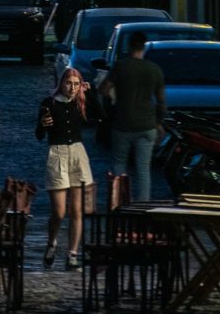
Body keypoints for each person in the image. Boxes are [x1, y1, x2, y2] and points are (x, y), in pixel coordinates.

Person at [36, 67, 98, 270]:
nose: (72, 88)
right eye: (69, 83)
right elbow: (38, 134)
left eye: (76, 84)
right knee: (59, 212)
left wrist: (92, 93)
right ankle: (51, 242)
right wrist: (43, 125)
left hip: (78, 154)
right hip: (57, 153)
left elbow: (101, 116)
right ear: (62, 83)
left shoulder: (80, 102)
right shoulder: (49, 103)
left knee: (77, 211)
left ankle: (72, 255)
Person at [99, 30, 166, 202]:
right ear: (143, 47)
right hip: (147, 124)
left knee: (118, 164)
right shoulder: (154, 69)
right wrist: (159, 123)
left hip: (123, 123)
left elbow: (104, 89)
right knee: (143, 168)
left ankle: (117, 202)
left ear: (129, 46)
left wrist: (114, 97)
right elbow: (161, 101)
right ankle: (143, 204)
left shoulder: (121, 66)